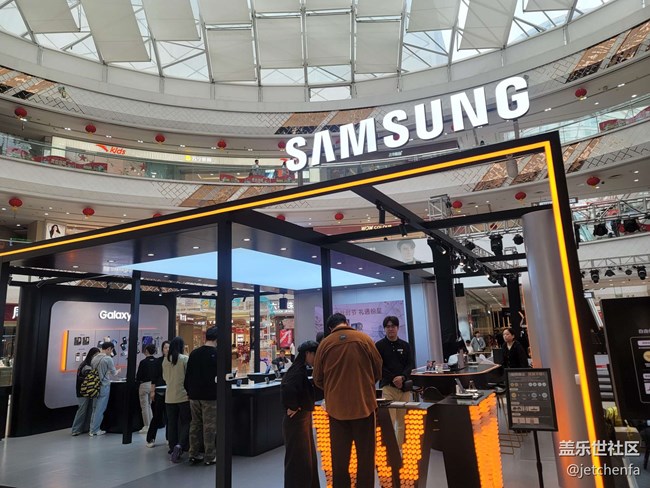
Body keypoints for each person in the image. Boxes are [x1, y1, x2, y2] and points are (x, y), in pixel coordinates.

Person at [313, 313, 382, 488]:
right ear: (346, 322)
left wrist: (332, 390)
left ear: (330, 328)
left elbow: (317, 378)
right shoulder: (364, 339)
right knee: (366, 458)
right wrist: (365, 384)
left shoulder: (324, 344)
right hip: (364, 406)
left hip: (336, 410)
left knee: (339, 460)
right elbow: (378, 369)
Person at [281, 340, 320, 488]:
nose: (316, 359)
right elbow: (288, 387)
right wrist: (293, 406)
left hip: (301, 419)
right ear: (308, 354)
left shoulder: (299, 369)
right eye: (315, 355)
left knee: (304, 458)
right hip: (297, 421)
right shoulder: (297, 371)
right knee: (300, 459)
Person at [375, 316, 413, 446]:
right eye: (388, 326)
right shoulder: (379, 346)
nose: (390, 329)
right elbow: (379, 366)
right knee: (388, 421)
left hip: (404, 389)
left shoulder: (405, 345)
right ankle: (390, 449)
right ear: (384, 329)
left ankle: (400, 449)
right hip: (387, 388)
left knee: (403, 422)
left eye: (393, 326)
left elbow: (410, 364)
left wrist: (402, 377)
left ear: (397, 328)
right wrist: (393, 378)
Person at [184, 326, 218, 466]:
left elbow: (188, 375)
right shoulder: (217, 354)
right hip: (209, 396)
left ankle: (193, 453)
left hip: (194, 395)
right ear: (217, 339)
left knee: (195, 424)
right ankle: (210, 456)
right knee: (209, 426)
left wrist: (189, 391)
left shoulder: (194, 353)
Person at [162, 336, 190, 463]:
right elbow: (188, 376)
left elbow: (165, 378)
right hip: (183, 396)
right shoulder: (184, 359)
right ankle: (181, 445)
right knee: (186, 422)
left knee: (172, 423)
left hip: (169, 397)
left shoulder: (165, 360)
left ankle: (172, 447)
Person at [89, 341, 120, 436]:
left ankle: (91, 429)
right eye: (111, 350)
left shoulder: (94, 358)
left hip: (94, 385)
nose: (111, 352)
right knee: (100, 409)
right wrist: (118, 371)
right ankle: (95, 430)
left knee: (94, 408)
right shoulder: (108, 359)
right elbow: (114, 373)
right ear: (109, 349)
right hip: (104, 385)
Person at [71, 347, 100, 436]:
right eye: (96, 355)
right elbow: (89, 376)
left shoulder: (87, 364)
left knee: (88, 409)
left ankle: (84, 428)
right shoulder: (86, 366)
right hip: (83, 391)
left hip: (87, 390)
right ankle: (76, 429)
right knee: (82, 410)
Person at [146, 340, 169, 448]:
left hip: (171, 391)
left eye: (169, 347)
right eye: (165, 347)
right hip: (159, 391)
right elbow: (154, 378)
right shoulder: (158, 361)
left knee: (169, 416)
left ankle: (169, 437)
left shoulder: (174, 361)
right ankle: (150, 438)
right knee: (157, 415)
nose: (167, 349)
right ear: (162, 349)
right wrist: (152, 391)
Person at [136, 343, 157, 433]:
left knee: (144, 406)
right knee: (149, 405)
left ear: (147, 351)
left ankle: (146, 425)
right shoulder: (157, 361)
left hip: (144, 385)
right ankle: (151, 425)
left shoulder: (143, 362)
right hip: (153, 385)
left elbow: (139, 376)